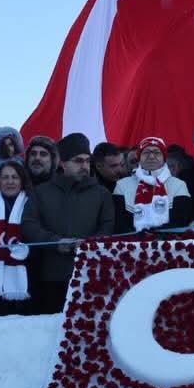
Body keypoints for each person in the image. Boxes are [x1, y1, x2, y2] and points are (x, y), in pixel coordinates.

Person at [22, 133, 113, 314]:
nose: (84, 166)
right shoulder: (40, 192)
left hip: (90, 274)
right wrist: (56, 242)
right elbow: (29, 225)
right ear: (63, 164)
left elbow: (107, 226)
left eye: (87, 161)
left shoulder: (102, 194)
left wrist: (89, 245)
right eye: (78, 161)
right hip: (50, 276)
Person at [0, 160, 35, 315]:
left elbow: (37, 232)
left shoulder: (32, 203)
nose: (10, 182)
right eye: (5, 177)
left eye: (15, 177)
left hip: (28, 274)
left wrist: (29, 250)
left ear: (22, 181)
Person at [113, 136, 192, 232]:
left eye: (156, 153)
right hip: (132, 243)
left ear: (164, 158)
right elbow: (120, 223)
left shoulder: (178, 185)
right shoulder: (122, 185)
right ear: (139, 158)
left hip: (168, 243)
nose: (151, 156)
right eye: (146, 153)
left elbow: (180, 221)